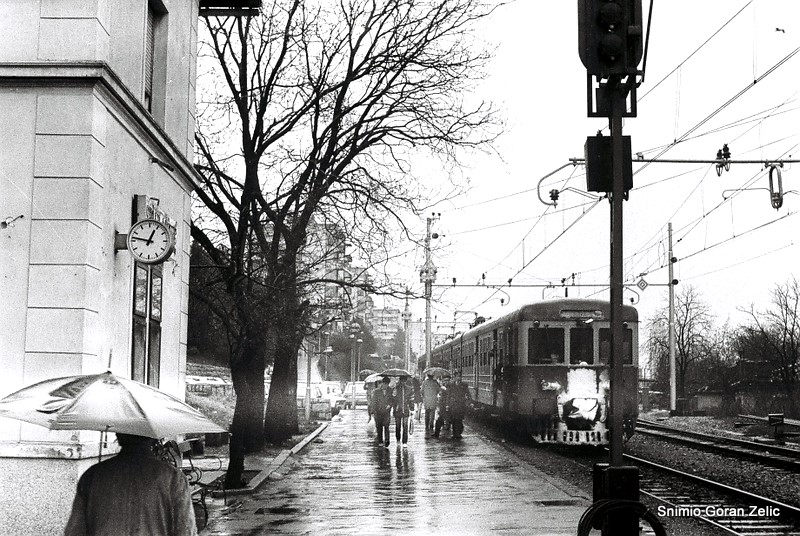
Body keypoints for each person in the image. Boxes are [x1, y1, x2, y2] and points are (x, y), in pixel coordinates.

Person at [64, 432, 197, 536]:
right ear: (152, 438)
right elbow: (185, 531)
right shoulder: (173, 479)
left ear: (118, 435)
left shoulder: (91, 476)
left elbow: (74, 531)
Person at [370, 377, 394, 448]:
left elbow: (393, 400)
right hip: (378, 412)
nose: (385, 385)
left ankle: (387, 441)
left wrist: (390, 405)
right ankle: (380, 441)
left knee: (386, 426)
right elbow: (373, 401)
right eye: (384, 384)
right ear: (382, 383)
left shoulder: (391, 390)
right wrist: (372, 411)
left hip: (386, 412)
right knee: (379, 427)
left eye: (387, 384)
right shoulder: (376, 391)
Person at [447, 372, 472, 439]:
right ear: (455, 377)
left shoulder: (464, 385)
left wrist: (469, 401)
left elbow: (468, 393)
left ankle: (459, 432)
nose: (459, 378)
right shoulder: (451, 384)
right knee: (454, 419)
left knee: (460, 419)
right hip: (453, 404)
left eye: (460, 376)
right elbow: (448, 395)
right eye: (457, 376)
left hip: (461, 404)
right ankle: (455, 433)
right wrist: (447, 404)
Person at [392, 375, 415, 447]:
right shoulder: (395, 388)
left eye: (404, 381)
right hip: (397, 409)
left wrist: (412, 409)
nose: (402, 382)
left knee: (405, 425)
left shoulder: (409, 389)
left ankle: (404, 441)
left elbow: (411, 400)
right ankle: (398, 439)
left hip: (405, 409)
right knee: (398, 426)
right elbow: (393, 399)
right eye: (401, 380)